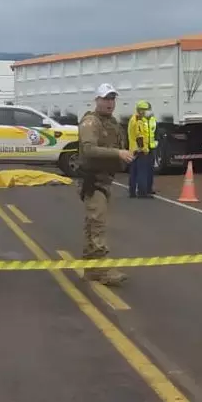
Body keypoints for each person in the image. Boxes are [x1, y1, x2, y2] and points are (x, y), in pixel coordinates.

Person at [77, 83, 134, 286]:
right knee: (97, 225)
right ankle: (101, 269)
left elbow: (118, 145)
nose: (110, 103)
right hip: (93, 180)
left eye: (112, 99)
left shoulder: (111, 123)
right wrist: (117, 154)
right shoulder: (91, 123)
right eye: (106, 99)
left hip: (105, 179)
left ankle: (92, 269)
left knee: (93, 224)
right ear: (97, 100)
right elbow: (90, 149)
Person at [127, 100, 155, 198]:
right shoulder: (138, 120)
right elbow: (139, 137)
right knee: (142, 171)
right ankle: (143, 192)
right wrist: (144, 149)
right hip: (140, 150)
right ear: (141, 110)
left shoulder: (134, 119)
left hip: (134, 149)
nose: (147, 112)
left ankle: (132, 191)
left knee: (134, 171)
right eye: (145, 110)